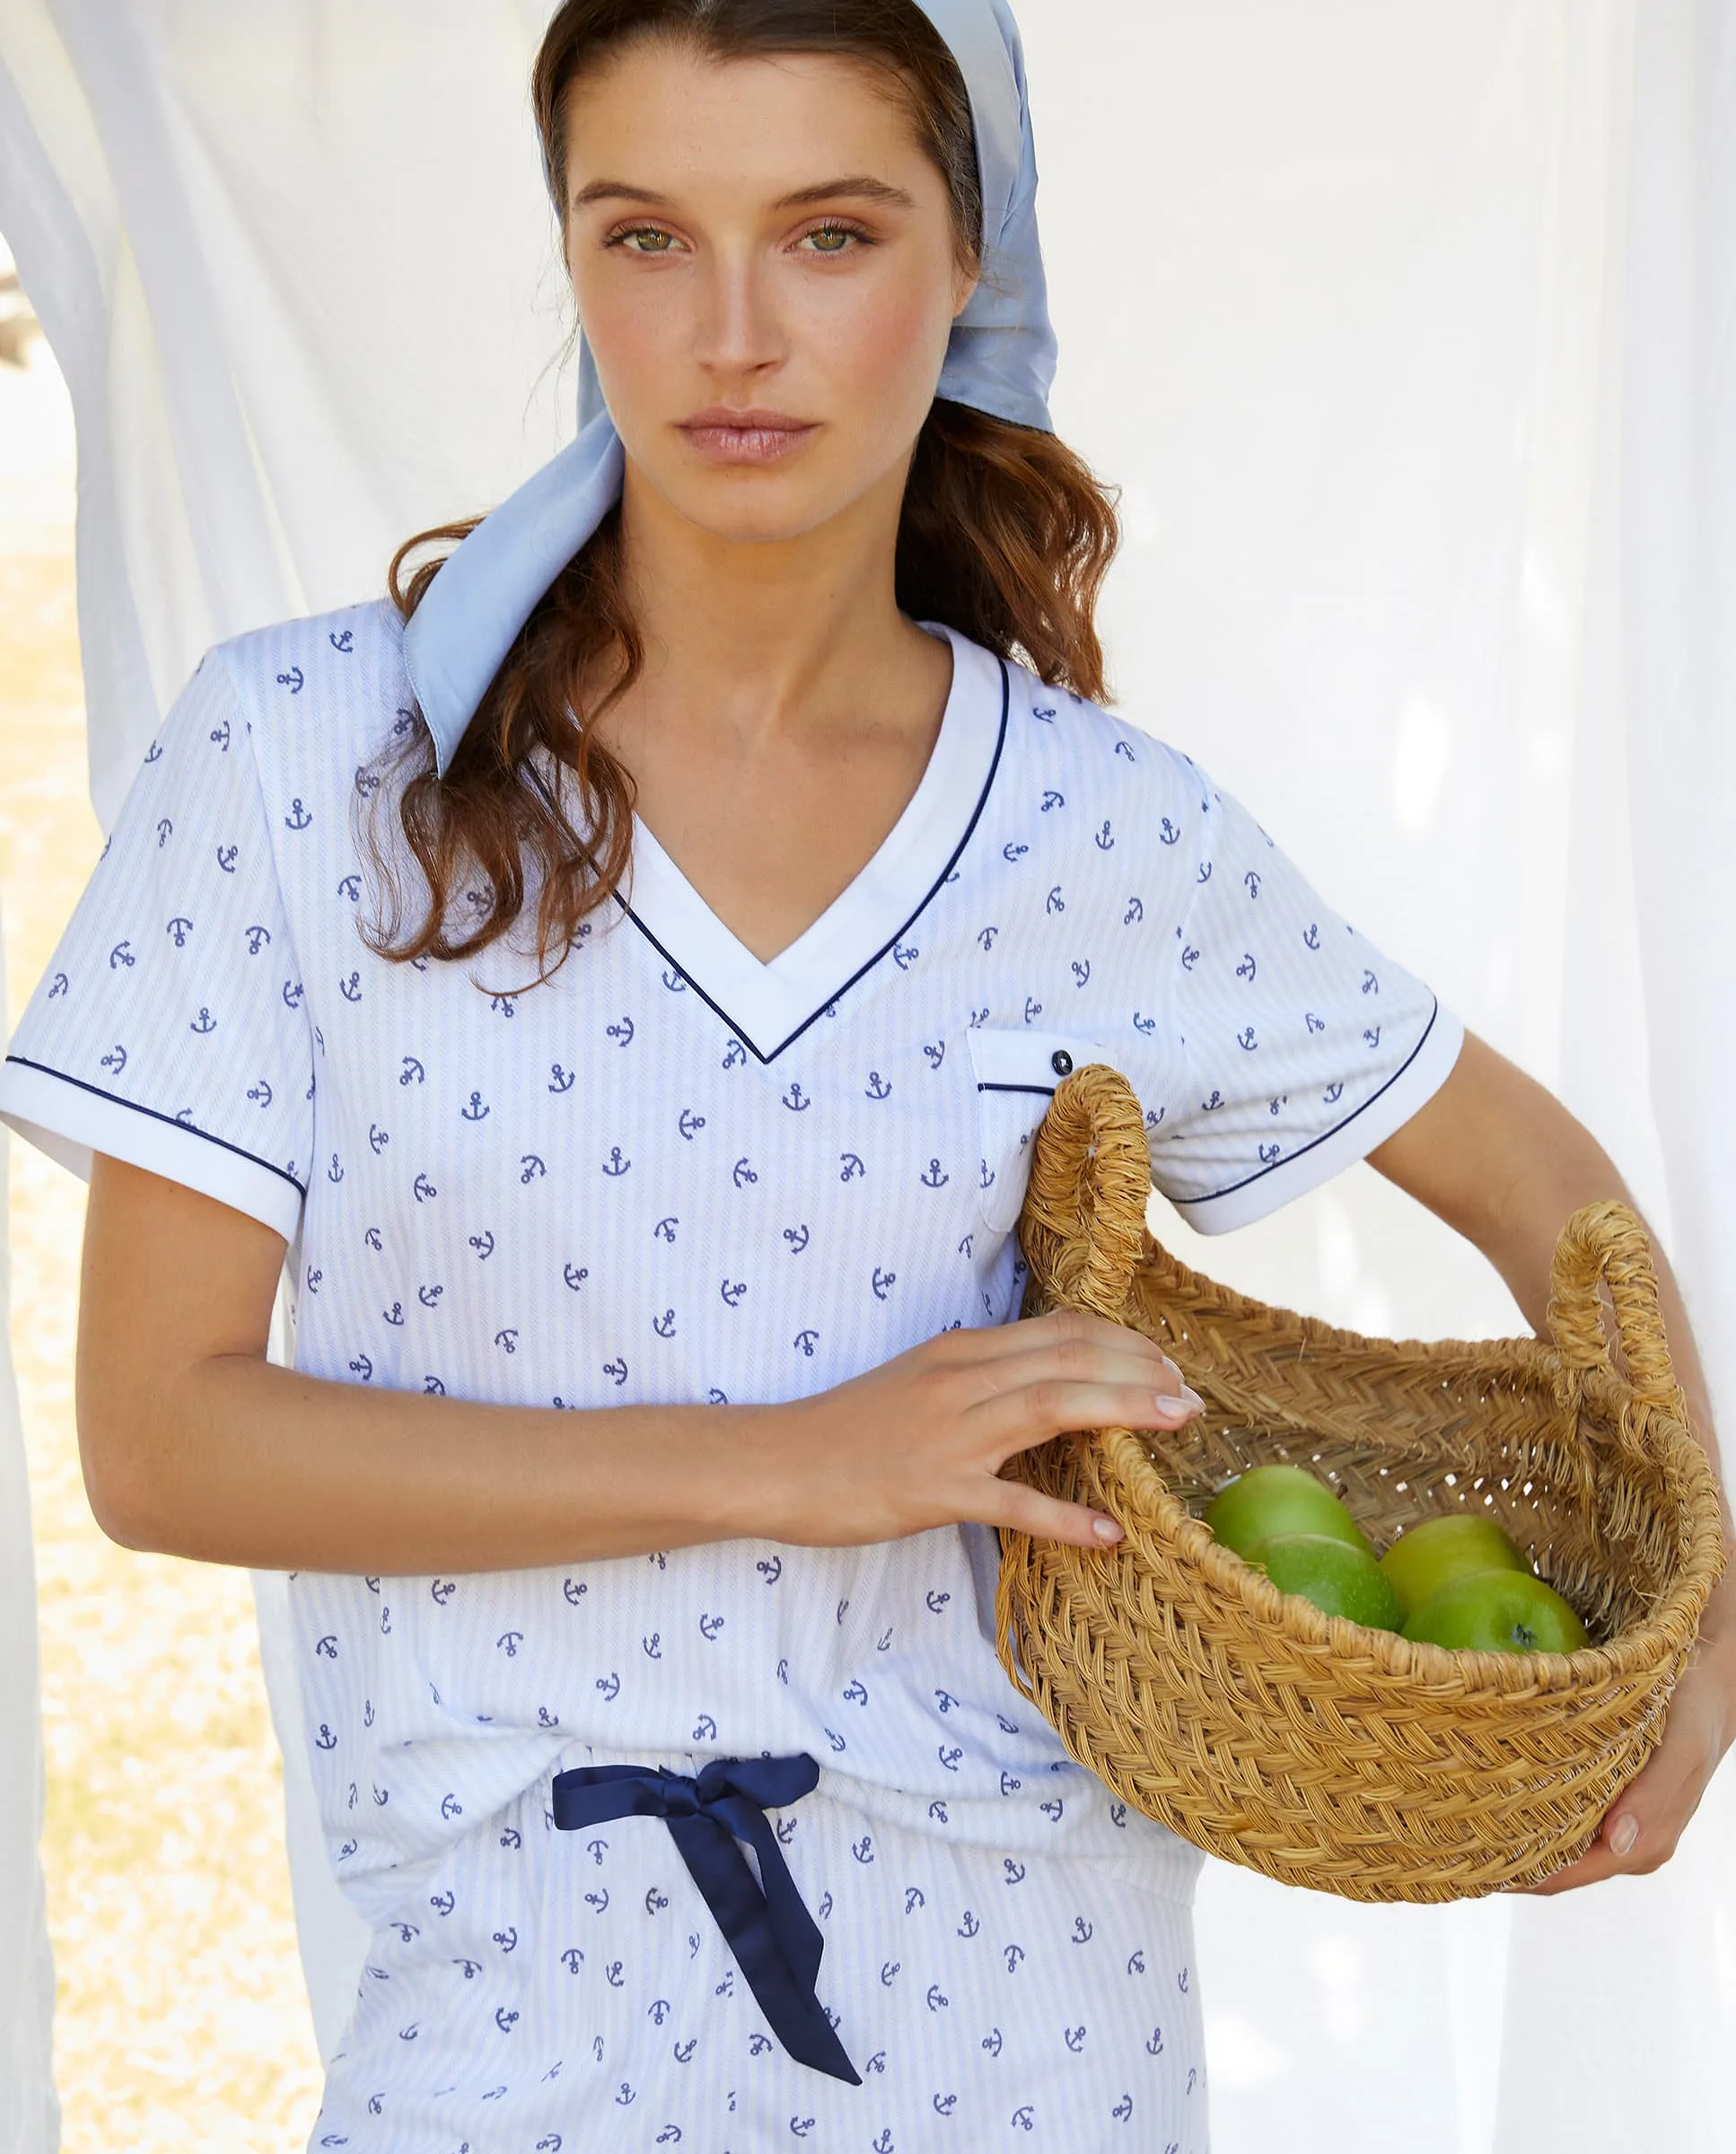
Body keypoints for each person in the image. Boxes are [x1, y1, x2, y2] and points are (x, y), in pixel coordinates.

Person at [2, 0, 1730, 2145]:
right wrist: (783, 1458)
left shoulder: (1103, 832)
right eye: (646, 238)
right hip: (512, 2010)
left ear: (963, 267)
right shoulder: (304, 761)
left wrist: (1702, 1597)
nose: (732, 333)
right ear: (574, 264)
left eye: (826, 233)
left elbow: (1533, 1175)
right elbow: (166, 1445)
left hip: (1031, 2024)